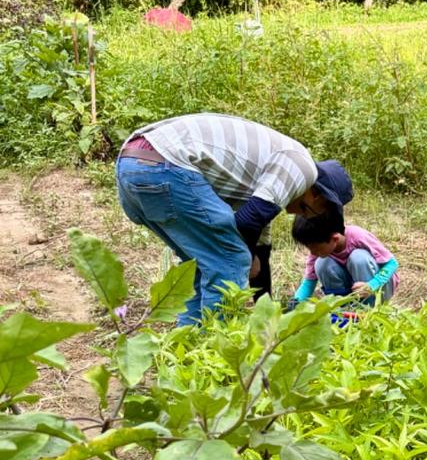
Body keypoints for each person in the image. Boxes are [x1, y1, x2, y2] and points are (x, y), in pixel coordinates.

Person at [115, 113, 353, 326]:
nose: (296, 214)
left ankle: (189, 349)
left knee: (201, 263)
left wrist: (269, 316)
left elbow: (262, 253)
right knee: (230, 259)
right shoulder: (303, 167)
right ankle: (217, 353)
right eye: (304, 209)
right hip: (166, 164)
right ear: (316, 192)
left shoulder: (262, 185)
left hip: (133, 164)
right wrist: (246, 258)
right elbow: (247, 225)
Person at [291, 210, 399, 309]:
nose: (313, 253)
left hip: (378, 288)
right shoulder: (318, 248)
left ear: (335, 239)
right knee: (321, 263)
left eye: (316, 249)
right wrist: (296, 301)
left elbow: (391, 263)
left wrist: (372, 285)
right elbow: (309, 282)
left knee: (359, 258)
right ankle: (343, 308)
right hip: (353, 289)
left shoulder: (358, 236)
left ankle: (368, 309)